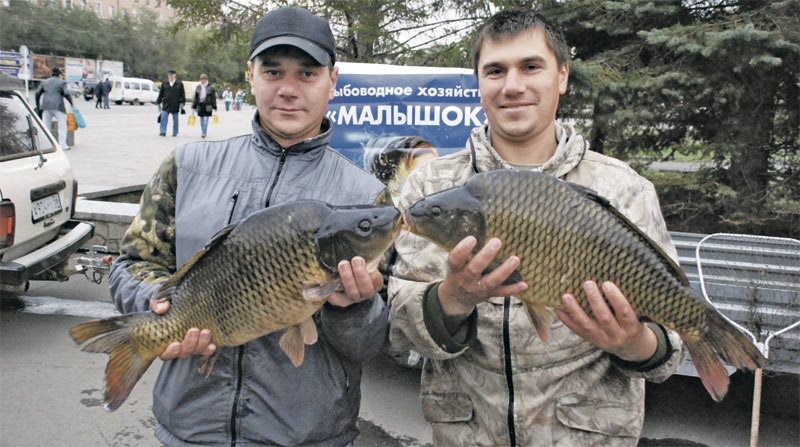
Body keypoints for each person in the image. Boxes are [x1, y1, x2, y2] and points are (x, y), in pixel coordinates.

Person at [388, 9, 686, 446]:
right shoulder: (431, 187)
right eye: (495, 70)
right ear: (478, 81)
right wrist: (450, 300)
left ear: (562, 76)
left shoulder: (623, 188)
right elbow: (395, 328)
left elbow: (668, 345)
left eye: (531, 66)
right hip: (466, 433)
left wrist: (635, 342)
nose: (512, 85)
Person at [108, 6, 392, 446]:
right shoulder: (188, 165)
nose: (289, 90)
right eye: (274, 71)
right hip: (189, 431)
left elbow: (374, 342)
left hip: (308, 436)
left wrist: (351, 307)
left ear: (332, 81)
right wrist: (160, 306)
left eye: (308, 74)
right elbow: (132, 264)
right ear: (251, 75)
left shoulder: (366, 198)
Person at [35, 67, 73, 150]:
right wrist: (72, 103)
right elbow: (66, 93)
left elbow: (37, 93)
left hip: (46, 106)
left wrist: (37, 105)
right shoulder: (62, 82)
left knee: (46, 126)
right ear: (59, 75)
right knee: (62, 126)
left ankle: (46, 145)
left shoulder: (44, 82)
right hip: (58, 106)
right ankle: (62, 145)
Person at [156, 69, 185, 137]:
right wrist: (158, 101)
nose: (170, 76)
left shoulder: (179, 83)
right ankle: (162, 131)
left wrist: (182, 102)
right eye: (169, 75)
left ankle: (175, 132)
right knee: (163, 118)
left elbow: (182, 94)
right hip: (166, 104)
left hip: (175, 104)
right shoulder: (164, 83)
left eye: (171, 75)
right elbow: (161, 93)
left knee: (175, 120)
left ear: (174, 75)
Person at [191, 73, 217, 138]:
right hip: (200, 104)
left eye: (204, 79)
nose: (203, 81)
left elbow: (213, 97)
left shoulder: (211, 87)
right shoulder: (198, 87)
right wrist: (194, 105)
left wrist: (214, 106)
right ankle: (203, 130)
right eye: (202, 79)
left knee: (206, 119)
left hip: (208, 105)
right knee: (201, 119)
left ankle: (204, 132)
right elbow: (196, 97)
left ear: (206, 80)